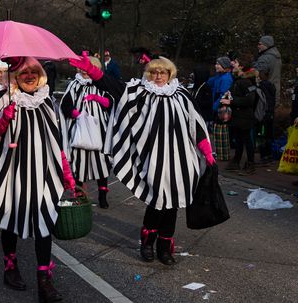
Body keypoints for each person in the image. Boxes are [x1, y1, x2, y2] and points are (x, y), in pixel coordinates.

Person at [70, 51, 214, 266]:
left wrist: (206, 151)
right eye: (154, 72)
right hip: (152, 157)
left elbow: (196, 124)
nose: (158, 76)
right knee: (156, 201)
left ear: (170, 74)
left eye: (162, 72)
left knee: (172, 204)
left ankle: (165, 247)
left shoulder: (182, 94)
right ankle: (147, 243)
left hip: (180, 158)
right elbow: (115, 87)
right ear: (148, 74)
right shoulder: (140, 92)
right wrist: (93, 72)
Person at [0, 57, 74, 302]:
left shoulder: (47, 100)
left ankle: (44, 280)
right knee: (11, 221)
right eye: (24, 72)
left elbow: (56, 139)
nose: (29, 75)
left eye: (34, 71)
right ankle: (10, 267)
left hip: (43, 172)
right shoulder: (3, 98)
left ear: (41, 74)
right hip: (11, 171)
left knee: (44, 224)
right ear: (15, 75)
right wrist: (2, 122)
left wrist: (67, 174)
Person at [60, 56, 113, 208]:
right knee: (79, 163)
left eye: (87, 67)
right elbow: (65, 105)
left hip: (99, 128)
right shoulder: (74, 85)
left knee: (101, 163)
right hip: (79, 129)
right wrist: (77, 115)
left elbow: (110, 102)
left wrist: (97, 98)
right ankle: (80, 195)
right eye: (81, 67)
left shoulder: (102, 84)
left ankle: (103, 195)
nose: (84, 70)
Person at [222, 56, 258, 174]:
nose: (233, 63)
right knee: (238, 139)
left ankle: (250, 163)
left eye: (236, 62)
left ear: (241, 66)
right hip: (237, 116)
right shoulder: (237, 80)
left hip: (245, 116)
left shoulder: (247, 81)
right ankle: (236, 161)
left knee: (247, 140)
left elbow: (249, 100)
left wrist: (231, 101)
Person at [207, 56, 233, 161]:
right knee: (216, 131)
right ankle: (218, 152)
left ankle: (222, 154)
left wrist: (213, 107)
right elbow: (209, 82)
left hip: (221, 108)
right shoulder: (219, 76)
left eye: (218, 64)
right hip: (216, 105)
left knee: (221, 131)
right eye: (216, 63)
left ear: (225, 66)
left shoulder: (226, 78)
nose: (216, 65)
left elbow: (223, 95)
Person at [254, 36, 282, 105]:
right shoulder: (276, 56)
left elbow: (256, 74)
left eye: (260, 44)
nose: (258, 46)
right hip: (275, 91)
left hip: (265, 94)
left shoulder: (265, 58)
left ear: (266, 45)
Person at [257, 70, 276, 164]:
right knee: (269, 135)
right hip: (270, 114)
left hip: (264, 115)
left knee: (262, 135)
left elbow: (263, 102)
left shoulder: (261, 87)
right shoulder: (272, 86)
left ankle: (264, 156)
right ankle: (269, 155)